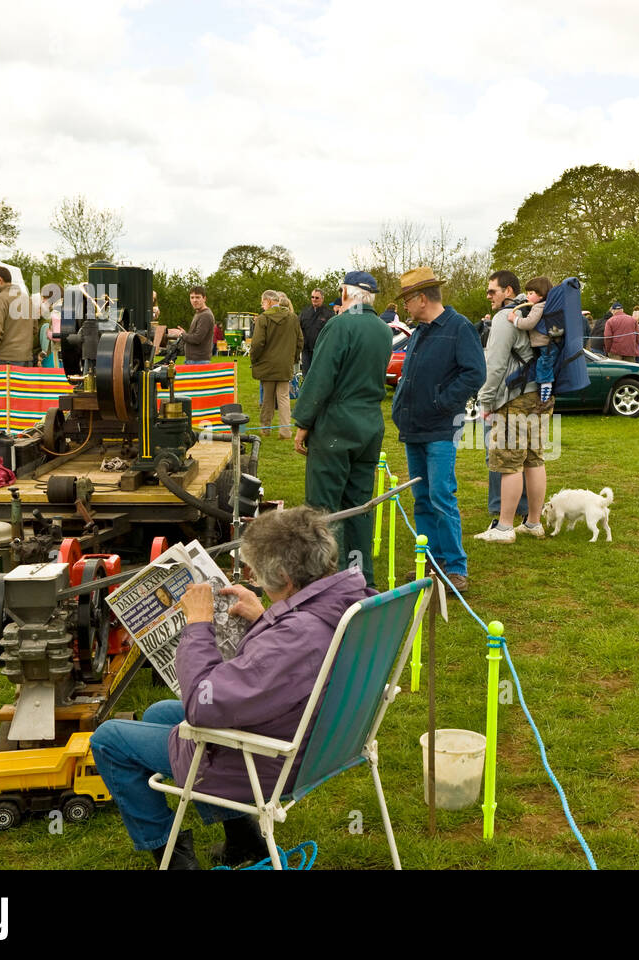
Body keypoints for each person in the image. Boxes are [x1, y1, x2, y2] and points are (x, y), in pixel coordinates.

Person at [90, 506, 373, 869]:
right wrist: (267, 615)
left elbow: (202, 705)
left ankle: (174, 861)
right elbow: (295, 658)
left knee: (109, 739)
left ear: (285, 577)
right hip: (325, 740)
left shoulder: (296, 636)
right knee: (158, 713)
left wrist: (197, 624)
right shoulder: (346, 602)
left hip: (277, 758)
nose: (254, 577)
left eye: (257, 571)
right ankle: (244, 841)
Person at [293, 271, 392, 587]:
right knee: (360, 505)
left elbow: (321, 376)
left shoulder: (339, 324)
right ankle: (362, 578)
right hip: (370, 424)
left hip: (337, 424)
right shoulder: (383, 329)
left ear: (346, 293)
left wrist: (303, 423)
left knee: (323, 508)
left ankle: (326, 581)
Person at [391, 267, 486, 593]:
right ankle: (431, 562)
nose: (404, 306)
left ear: (421, 298)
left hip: (441, 428)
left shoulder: (459, 328)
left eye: (407, 299)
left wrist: (442, 402)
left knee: (441, 495)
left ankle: (456, 568)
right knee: (421, 498)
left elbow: (475, 373)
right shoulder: (420, 331)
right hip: (414, 427)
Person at [475, 269, 550, 543]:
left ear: (508, 291)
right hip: (540, 395)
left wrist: (485, 400)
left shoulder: (505, 318)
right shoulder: (534, 309)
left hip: (514, 398)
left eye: (492, 290)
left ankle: (504, 527)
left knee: (509, 462)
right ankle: (533, 522)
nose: (488, 296)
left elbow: (495, 365)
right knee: (534, 458)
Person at [251, 289, 303, 441]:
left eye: (262, 303)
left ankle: (265, 429)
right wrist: (293, 358)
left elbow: (257, 343)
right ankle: (285, 431)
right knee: (284, 398)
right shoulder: (293, 317)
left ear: (268, 301)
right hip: (285, 364)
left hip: (267, 365)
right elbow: (300, 341)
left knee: (267, 398)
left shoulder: (263, 318)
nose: (262, 306)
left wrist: (254, 359)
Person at [509, 276, 561, 404]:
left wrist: (514, 319)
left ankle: (545, 393)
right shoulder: (548, 306)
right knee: (544, 365)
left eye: (531, 293)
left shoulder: (538, 307)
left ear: (541, 295)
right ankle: (543, 389)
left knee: (543, 366)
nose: (527, 296)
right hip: (549, 343)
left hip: (545, 344)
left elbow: (529, 323)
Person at [0, 265, 33, 366]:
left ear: (0, 280)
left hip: (4, 360)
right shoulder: (27, 299)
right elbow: (34, 329)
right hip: (26, 359)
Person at [169, 286, 215, 364]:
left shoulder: (205, 315)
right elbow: (196, 336)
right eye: (192, 297)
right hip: (194, 360)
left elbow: (197, 339)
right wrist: (185, 333)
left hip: (199, 361)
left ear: (204, 298)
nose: (194, 300)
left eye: (197, 297)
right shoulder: (199, 313)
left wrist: (181, 334)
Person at [298, 288, 333, 377]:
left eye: (317, 298)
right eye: (312, 297)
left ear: (322, 298)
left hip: (321, 351)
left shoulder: (329, 314)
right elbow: (298, 329)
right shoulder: (304, 312)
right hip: (306, 351)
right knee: (306, 376)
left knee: (320, 376)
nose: (314, 299)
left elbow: (332, 332)